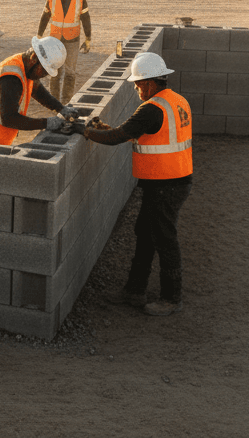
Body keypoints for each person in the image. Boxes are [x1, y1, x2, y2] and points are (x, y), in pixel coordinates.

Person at [66, 52, 191, 317]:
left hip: (165, 185)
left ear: (148, 83)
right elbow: (139, 135)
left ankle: (171, 297)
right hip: (171, 181)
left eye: (137, 84)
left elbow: (115, 138)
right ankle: (134, 291)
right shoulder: (177, 101)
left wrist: (84, 130)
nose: (136, 89)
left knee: (164, 239)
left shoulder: (151, 109)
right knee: (145, 233)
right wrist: (104, 128)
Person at [0, 36, 79, 145]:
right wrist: (46, 123)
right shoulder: (11, 80)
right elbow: (9, 119)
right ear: (34, 58)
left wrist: (60, 108)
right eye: (43, 71)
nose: (42, 76)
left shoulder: (26, 66)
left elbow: (38, 91)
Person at [37, 0, 93, 103]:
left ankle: (66, 102)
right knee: (55, 72)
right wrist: (39, 36)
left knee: (70, 73)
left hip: (72, 40)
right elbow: (44, 17)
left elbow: (86, 19)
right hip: (55, 40)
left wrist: (88, 39)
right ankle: (54, 101)